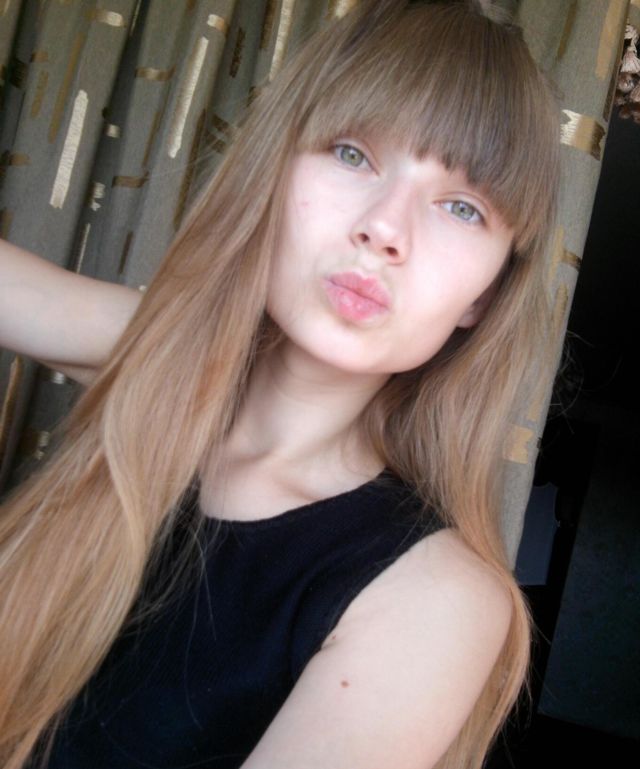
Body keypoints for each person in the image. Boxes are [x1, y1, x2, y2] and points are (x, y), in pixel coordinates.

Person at [0, 0, 561, 767]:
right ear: (274, 172)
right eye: (353, 154)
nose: (384, 229)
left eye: (462, 208)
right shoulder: (161, 363)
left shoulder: (437, 596)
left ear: (484, 296)